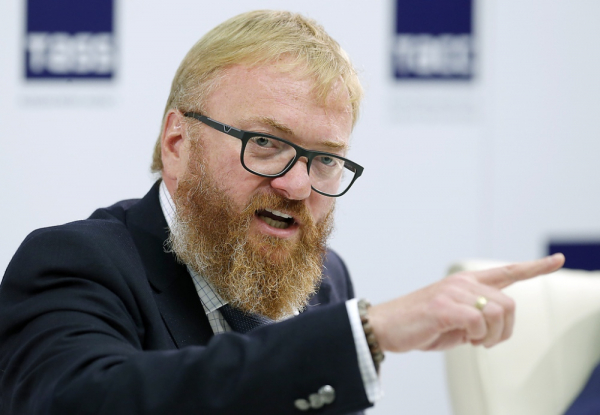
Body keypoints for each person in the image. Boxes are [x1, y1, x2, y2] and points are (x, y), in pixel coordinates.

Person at [0, 10, 564, 415]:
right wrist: (364, 334)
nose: (296, 186)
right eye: (266, 144)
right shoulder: (79, 261)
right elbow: (84, 400)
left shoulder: (325, 277)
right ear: (177, 143)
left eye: (325, 159)